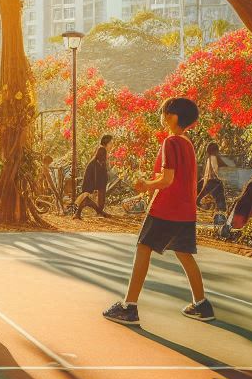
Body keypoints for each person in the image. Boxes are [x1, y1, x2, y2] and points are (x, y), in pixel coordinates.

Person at [103, 97, 215, 325]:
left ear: (173, 116)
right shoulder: (188, 144)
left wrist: (145, 185)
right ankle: (202, 305)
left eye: (164, 113)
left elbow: (167, 179)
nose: (162, 117)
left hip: (166, 209)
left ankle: (129, 306)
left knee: (143, 248)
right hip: (186, 211)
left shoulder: (171, 142)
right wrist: (150, 185)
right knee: (184, 254)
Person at [75, 135, 113, 219]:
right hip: (93, 175)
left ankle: (99, 212)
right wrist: (97, 182)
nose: (112, 145)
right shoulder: (102, 149)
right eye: (110, 143)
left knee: (89, 196)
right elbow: (99, 165)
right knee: (89, 194)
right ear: (106, 143)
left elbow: (101, 166)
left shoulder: (103, 149)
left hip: (96, 175)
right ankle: (100, 212)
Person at [196, 141, 227, 213]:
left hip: (209, 181)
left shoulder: (209, 158)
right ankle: (222, 212)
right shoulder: (213, 157)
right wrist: (220, 178)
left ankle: (198, 203)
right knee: (220, 198)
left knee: (200, 196)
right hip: (214, 181)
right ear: (215, 150)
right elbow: (215, 169)